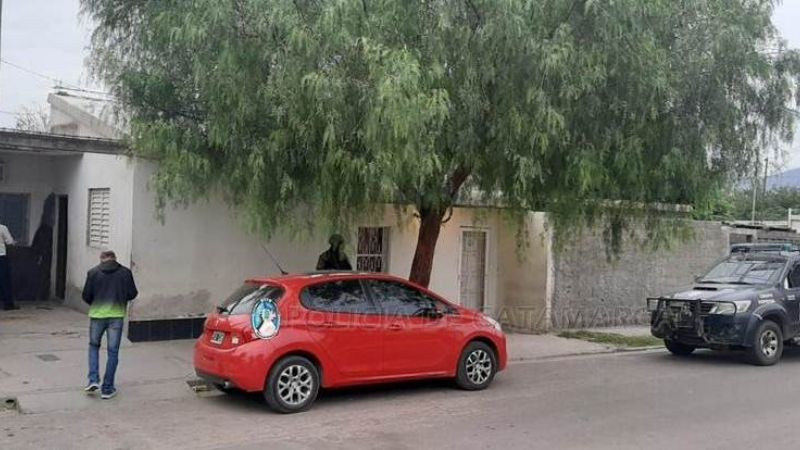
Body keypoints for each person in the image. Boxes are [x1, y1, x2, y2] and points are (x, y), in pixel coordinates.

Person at [82, 250, 138, 399]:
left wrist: (96, 303)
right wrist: (121, 298)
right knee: (113, 352)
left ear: (101, 259)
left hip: (97, 316)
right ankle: (107, 388)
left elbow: (86, 295)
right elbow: (133, 293)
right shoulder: (125, 273)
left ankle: (93, 380)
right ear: (115, 259)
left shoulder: (93, 272)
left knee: (94, 346)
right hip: (116, 316)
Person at [0, 222, 17, 311]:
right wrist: (14, 242)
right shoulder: (2, 228)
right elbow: (10, 241)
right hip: (1, 257)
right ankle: (8, 303)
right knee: (4, 280)